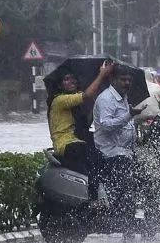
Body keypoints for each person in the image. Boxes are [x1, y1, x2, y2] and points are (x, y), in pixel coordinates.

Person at [94, 69, 160, 229]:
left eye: (129, 80)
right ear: (113, 79)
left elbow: (126, 124)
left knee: (149, 182)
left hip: (126, 152)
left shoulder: (123, 97)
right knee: (128, 188)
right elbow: (106, 125)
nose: (127, 83)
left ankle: (149, 224)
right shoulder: (106, 99)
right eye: (123, 79)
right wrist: (129, 115)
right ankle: (127, 227)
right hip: (111, 153)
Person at [47, 60, 114, 202]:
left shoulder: (74, 103)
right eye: (66, 79)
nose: (71, 81)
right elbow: (86, 96)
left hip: (76, 140)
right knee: (94, 160)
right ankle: (94, 200)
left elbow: (85, 122)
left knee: (103, 159)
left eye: (73, 78)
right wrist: (101, 75)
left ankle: (107, 196)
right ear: (59, 85)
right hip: (66, 144)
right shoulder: (60, 100)